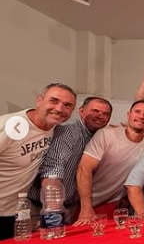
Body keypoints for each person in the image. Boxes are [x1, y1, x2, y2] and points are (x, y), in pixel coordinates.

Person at [0, 83, 77, 240]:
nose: (60, 109)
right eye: (54, 101)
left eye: (67, 105)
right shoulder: (11, 125)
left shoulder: (55, 129)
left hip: (14, 212)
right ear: (39, 100)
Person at [27, 96, 112, 227]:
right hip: (42, 208)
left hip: (70, 208)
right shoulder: (69, 131)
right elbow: (53, 168)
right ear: (81, 111)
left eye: (105, 114)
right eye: (95, 111)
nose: (100, 116)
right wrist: (52, 211)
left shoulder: (99, 136)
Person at [74, 100, 144, 225]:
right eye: (137, 111)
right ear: (128, 115)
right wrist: (86, 208)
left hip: (115, 207)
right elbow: (84, 169)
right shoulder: (106, 135)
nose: (141, 116)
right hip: (88, 204)